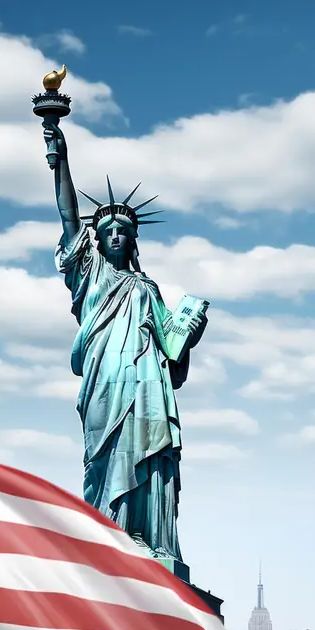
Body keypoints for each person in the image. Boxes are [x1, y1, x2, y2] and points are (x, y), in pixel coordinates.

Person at [46, 122, 207, 562]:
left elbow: (172, 349)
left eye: (123, 230)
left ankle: (150, 539)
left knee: (151, 455)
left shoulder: (146, 287)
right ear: (97, 239)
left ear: (133, 239)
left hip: (148, 383)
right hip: (105, 380)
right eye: (108, 230)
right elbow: (68, 216)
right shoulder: (90, 274)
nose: (116, 235)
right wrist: (60, 158)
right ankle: (110, 537)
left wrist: (189, 334)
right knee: (106, 455)